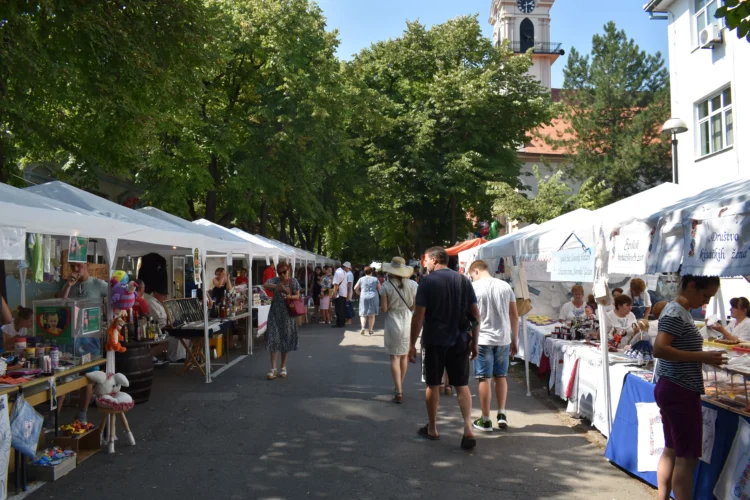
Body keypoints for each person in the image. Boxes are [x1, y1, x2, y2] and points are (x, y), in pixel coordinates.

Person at [653, 275, 725, 500]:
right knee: (687, 458)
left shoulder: (677, 311)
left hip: (672, 386)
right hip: (679, 389)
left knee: (672, 450)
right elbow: (660, 348)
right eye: (705, 296)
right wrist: (701, 356)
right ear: (692, 286)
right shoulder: (676, 312)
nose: (705, 302)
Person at [409, 246, 479, 450]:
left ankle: (432, 428)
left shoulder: (427, 282)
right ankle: (467, 428)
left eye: (425, 260)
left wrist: (411, 344)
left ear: (434, 260)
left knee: (433, 384)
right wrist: (474, 341)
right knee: (461, 384)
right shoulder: (463, 280)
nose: (424, 264)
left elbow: (419, 315)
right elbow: (475, 314)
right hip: (460, 339)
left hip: (434, 339)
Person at [468, 260, 519, 432]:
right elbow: (514, 314)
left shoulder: (474, 288)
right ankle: (502, 413)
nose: (471, 279)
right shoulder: (505, 286)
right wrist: (515, 338)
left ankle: (485, 419)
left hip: (482, 339)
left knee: (484, 378)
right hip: (503, 338)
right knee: (501, 376)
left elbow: (471, 316)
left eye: (471, 276)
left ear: (475, 271)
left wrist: (469, 339)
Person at [56, 262, 108, 424]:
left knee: (88, 374)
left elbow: (115, 297)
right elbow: (60, 304)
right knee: (64, 374)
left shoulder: (98, 284)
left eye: (78, 266)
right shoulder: (68, 285)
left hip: (90, 336)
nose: (76, 270)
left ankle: (82, 413)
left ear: (86, 265)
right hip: (70, 335)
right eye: (72, 267)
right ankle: (55, 414)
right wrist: (68, 285)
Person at [380, 257, 417, 403]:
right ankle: (399, 386)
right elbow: (414, 306)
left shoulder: (386, 286)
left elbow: (384, 308)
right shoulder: (413, 285)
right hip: (408, 320)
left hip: (393, 321)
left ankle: (399, 389)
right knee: (403, 355)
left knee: (394, 357)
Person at [263, 262, 301, 380]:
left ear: (288, 270)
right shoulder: (275, 280)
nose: (282, 275)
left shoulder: (293, 281)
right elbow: (265, 284)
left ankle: (283, 367)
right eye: (280, 273)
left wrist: (288, 295)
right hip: (275, 313)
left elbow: (297, 296)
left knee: (285, 340)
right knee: (273, 338)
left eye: (284, 272)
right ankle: (273, 368)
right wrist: (277, 287)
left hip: (288, 314)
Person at [354, 266, 381, 336]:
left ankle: (363, 327)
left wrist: (359, 293)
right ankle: (370, 330)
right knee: (372, 315)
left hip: (363, 296)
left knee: (363, 313)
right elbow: (380, 289)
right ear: (372, 272)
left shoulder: (361, 279)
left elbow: (355, 288)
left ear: (364, 272)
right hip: (373, 297)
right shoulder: (375, 279)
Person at [332, 262, 348, 328]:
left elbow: (336, 284)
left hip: (339, 293)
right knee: (342, 309)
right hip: (344, 292)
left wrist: (334, 294)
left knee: (338, 309)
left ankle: (339, 323)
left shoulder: (337, 272)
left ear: (334, 266)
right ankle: (342, 322)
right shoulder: (344, 272)